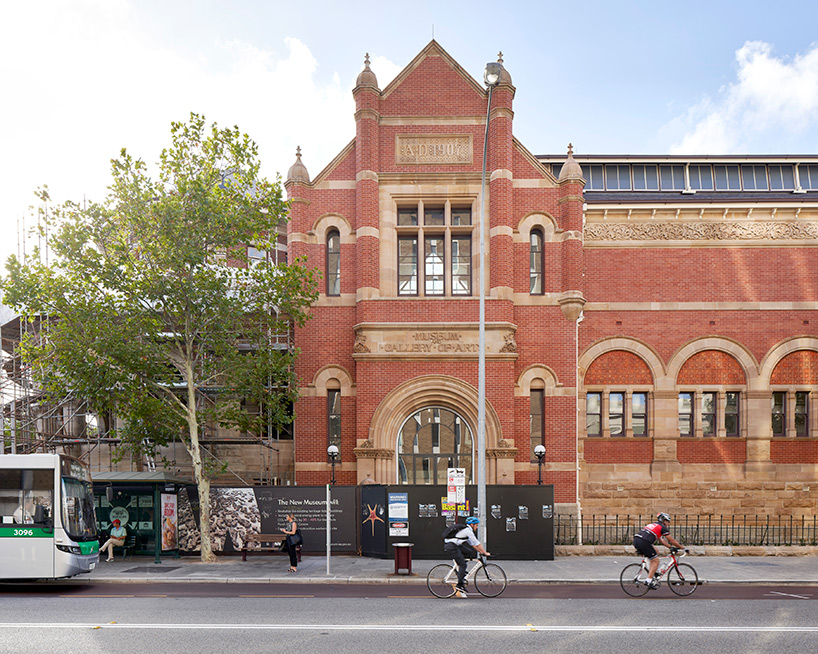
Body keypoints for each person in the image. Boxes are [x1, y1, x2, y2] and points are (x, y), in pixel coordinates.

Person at [633, 512, 685, 588]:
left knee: (656, 551)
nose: (668, 524)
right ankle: (648, 580)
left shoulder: (654, 525)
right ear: (664, 521)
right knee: (656, 560)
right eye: (668, 522)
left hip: (637, 540)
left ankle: (652, 572)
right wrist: (682, 548)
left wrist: (670, 547)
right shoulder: (662, 527)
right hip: (644, 542)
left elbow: (661, 540)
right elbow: (672, 540)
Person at [443, 516, 490, 598]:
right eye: (476, 525)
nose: (477, 527)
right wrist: (485, 552)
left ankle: (461, 572)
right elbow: (477, 543)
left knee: (469, 552)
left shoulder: (467, 531)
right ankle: (459, 585)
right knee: (463, 565)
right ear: (472, 525)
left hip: (455, 545)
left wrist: (481, 552)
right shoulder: (468, 531)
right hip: (451, 546)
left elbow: (473, 544)